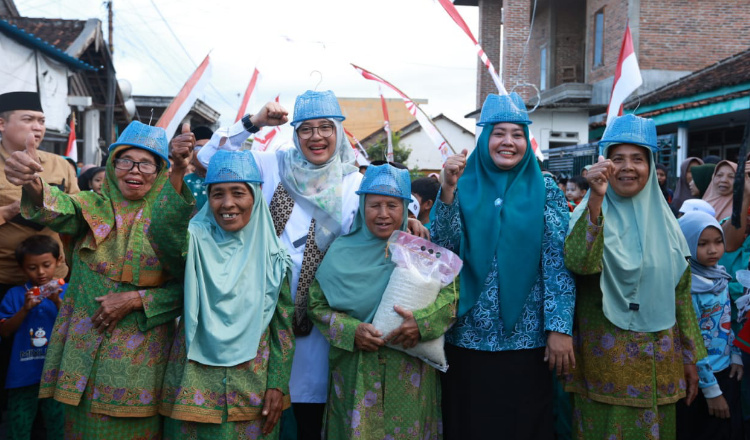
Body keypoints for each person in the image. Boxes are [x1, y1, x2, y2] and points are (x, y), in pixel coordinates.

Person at [201, 91, 427, 439]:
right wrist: (254, 122)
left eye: (326, 127)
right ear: (295, 133)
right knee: (263, 404)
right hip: (265, 309)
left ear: (339, 132)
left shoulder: (354, 183)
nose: (316, 136)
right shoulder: (272, 166)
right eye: (306, 128)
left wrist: (408, 221)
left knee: (316, 407)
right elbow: (209, 157)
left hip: (325, 314)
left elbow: (393, 205)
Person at [4, 120, 195, 438]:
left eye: (146, 163)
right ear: (112, 163)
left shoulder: (173, 219)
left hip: (143, 362)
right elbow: (53, 206)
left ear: (161, 170)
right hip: (83, 357)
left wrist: (136, 299)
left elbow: (189, 289)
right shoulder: (91, 206)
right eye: (125, 160)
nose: (134, 170)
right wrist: (31, 182)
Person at [433, 93, 576, 439]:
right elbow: (444, 252)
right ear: (485, 139)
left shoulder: (546, 190)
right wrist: (448, 191)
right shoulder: (462, 185)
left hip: (527, 340)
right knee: (469, 422)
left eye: (517, 134)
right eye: (499, 133)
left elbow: (558, 264)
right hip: (466, 337)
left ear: (527, 141)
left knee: (525, 423)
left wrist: (560, 328)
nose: (508, 142)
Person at [564, 114, 706, 439]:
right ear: (604, 165)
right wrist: (596, 198)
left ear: (651, 166)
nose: (627, 167)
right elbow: (580, 263)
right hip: (607, 369)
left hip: (661, 368)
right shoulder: (586, 213)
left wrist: (690, 359)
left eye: (637, 159)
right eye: (617, 159)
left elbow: (680, 295)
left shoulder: (669, 226)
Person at [308, 163, 457, 439]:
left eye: (393, 205)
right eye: (375, 205)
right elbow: (316, 305)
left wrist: (421, 324)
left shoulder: (420, 250)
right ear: (363, 206)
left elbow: (450, 298)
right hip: (356, 371)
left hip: (409, 372)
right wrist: (352, 331)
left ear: (405, 209)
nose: (383, 214)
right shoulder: (340, 250)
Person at [161, 150, 293, 439]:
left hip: (253, 388)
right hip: (193, 385)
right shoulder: (193, 240)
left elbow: (282, 328)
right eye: (217, 194)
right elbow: (163, 234)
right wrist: (177, 173)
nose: (227, 203)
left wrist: (277, 385)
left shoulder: (274, 256)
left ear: (256, 198)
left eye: (238, 193)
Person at [0, 91, 79, 412]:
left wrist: (47, 205)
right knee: (8, 359)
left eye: (42, 121)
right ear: (2, 123)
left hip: (55, 285)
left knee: (52, 357)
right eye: (28, 119)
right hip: (5, 281)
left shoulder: (59, 165)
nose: (38, 127)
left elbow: (79, 217)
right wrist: (11, 210)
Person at [676, 211, 744, 440]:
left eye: (718, 242)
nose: (713, 250)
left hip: (725, 369)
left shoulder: (719, 278)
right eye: (702, 244)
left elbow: (724, 323)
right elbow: (690, 341)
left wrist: (735, 354)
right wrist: (711, 389)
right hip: (699, 378)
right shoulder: (687, 286)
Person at [0, 235, 66, 440]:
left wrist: (57, 302)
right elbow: (4, 331)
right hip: (22, 376)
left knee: (59, 428)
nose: (40, 272)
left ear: (58, 261)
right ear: (21, 268)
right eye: (32, 267)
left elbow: (76, 327)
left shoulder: (67, 291)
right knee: (17, 427)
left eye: (47, 265)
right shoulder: (14, 294)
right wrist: (24, 309)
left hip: (58, 376)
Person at [176, 125, 213, 211]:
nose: (205, 152)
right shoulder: (181, 182)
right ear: (190, 154)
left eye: (209, 148)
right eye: (199, 148)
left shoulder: (227, 181)